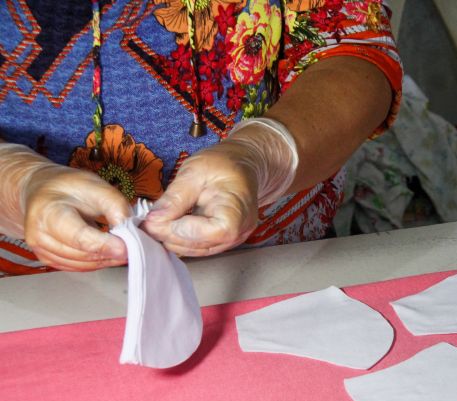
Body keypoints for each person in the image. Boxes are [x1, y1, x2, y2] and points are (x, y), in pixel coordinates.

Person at [0, 0, 402, 276]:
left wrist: (265, 153)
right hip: (26, 290)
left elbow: (354, 46)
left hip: (278, 266)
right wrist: (14, 184)